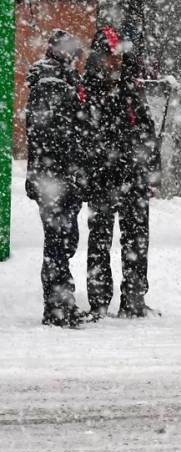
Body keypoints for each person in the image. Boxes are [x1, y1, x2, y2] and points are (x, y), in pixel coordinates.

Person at [82, 27, 162, 319]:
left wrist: (152, 171)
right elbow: (85, 135)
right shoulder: (91, 89)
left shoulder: (130, 86)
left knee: (136, 240)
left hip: (133, 177)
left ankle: (134, 299)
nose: (113, 63)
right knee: (101, 240)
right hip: (105, 177)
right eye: (110, 56)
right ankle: (100, 300)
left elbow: (147, 130)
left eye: (118, 57)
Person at [26, 30, 91, 327]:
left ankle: (62, 303)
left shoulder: (63, 78)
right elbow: (49, 133)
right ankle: (57, 308)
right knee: (58, 243)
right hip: (53, 177)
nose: (76, 60)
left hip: (59, 176)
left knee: (64, 241)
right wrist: (69, 165)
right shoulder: (51, 83)